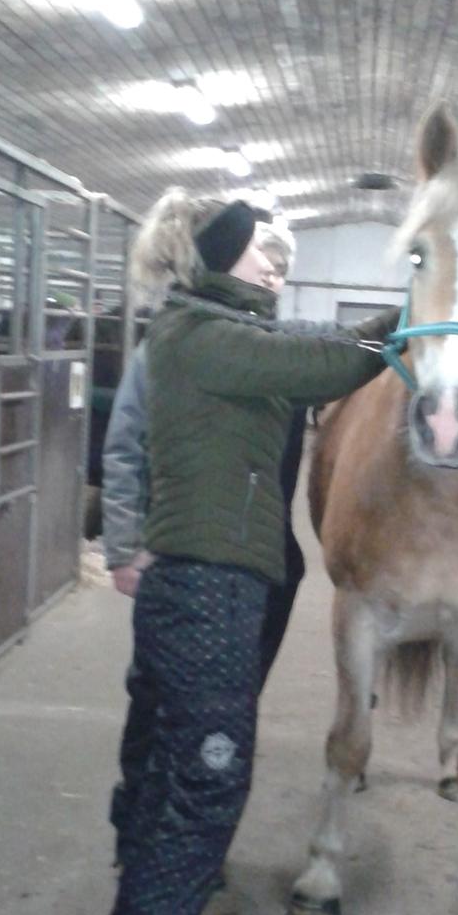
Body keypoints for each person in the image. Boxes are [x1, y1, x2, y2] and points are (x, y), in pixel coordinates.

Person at [85, 190, 398, 915]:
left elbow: (304, 350)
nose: (274, 263)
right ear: (219, 257)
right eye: (260, 250)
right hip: (207, 590)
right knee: (208, 781)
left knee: (175, 782)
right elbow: (322, 367)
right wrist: (412, 318)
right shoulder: (202, 337)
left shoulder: (217, 333)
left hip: (217, 585)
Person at [100, 219, 306, 870]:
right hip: (184, 555)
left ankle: (187, 846)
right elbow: (125, 447)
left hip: (262, 562)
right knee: (157, 700)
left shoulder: (273, 347)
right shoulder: (171, 346)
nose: (273, 276)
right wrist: (125, 546)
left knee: (230, 705)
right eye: (262, 263)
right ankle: (140, 830)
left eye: (280, 270)